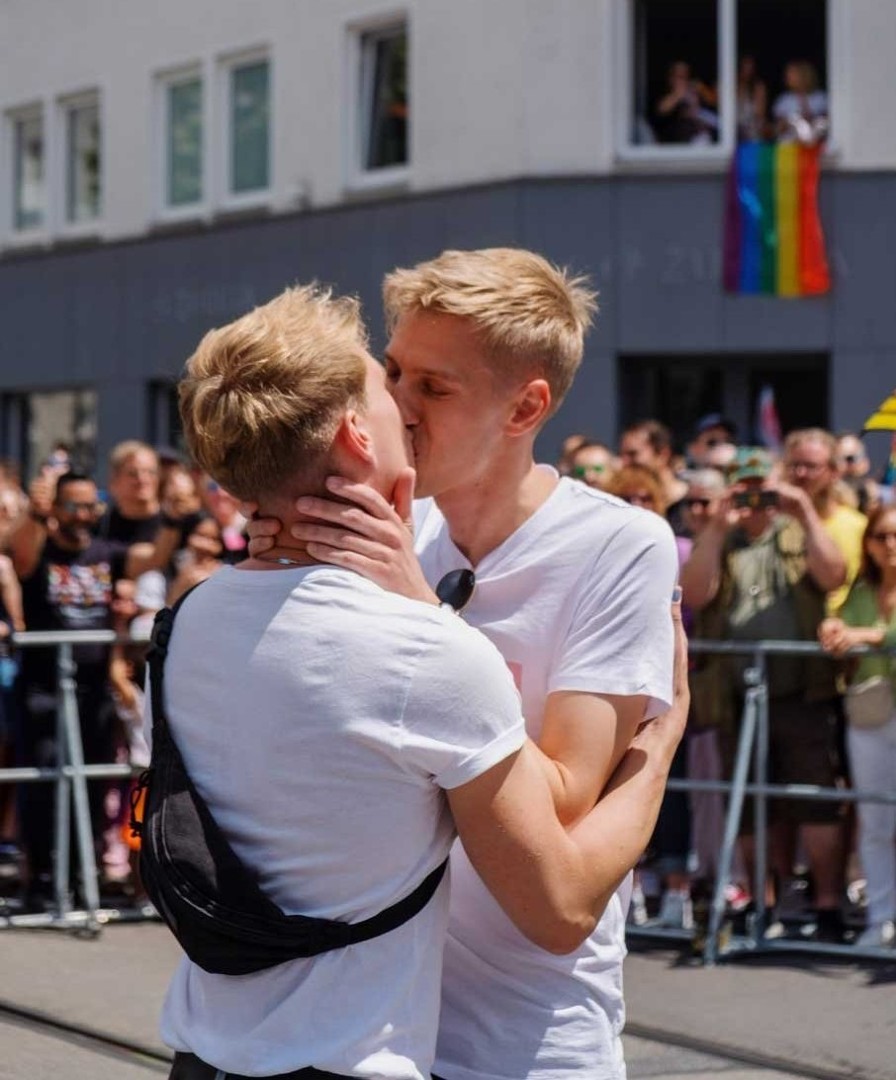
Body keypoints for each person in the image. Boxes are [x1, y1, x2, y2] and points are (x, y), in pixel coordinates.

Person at [164, 283, 686, 1080]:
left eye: (432, 386)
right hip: (365, 1051)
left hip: (248, 1049)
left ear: (526, 408)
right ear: (355, 432)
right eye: (393, 377)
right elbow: (559, 903)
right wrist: (665, 734)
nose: (405, 406)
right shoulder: (424, 635)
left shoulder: (186, 621)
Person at [680, 446, 848, 941]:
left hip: (802, 691)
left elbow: (833, 575)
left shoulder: (799, 530)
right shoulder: (720, 538)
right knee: (751, 803)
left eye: (763, 491)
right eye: (745, 491)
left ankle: (827, 905)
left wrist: (804, 510)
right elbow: (695, 595)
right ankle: (762, 900)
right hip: (736, 694)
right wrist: (716, 528)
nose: (755, 503)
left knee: (815, 798)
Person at [7, 470, 181, 906]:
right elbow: (18, 551)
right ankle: (40, 879)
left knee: (91, 786)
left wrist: (174, 519)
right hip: (42, 687)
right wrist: (35, 513)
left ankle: (81, 877)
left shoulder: (106, 552)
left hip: (93, 690)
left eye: (91, 505)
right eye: (74, 506)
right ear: (56, 508)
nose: (83, 514)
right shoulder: (41, 550)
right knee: (41, 784)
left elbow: (152, 558)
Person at [819, 504, 896, 949]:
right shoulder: (861, 589)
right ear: (868, 543)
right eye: (881, 536)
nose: (890, 544)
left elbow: (874, 634)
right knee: (875, 820)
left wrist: (864, 636)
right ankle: (881, 919)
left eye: (895, 535)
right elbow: (842, 628)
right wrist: (833, 629)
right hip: (869, 711)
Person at [783, 428, 867, 615]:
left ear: (834, 472)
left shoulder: (857, 526)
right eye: (794, 465)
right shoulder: (776, 525)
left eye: (811, 466)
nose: (801, 473)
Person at [618, 419, 689, 533]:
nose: (624, 462)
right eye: (622, 454)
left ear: (662, 454)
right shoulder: (626, 500)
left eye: (633, 454)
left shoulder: (693, 504)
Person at [96, 440, 162, 545]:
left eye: (151, 472)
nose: (142, 479)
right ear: (114, 481)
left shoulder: (173, 525)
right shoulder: (100, 527)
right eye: (133, 474)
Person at [654, 60, 718, 145]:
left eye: (687, 76)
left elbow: (713, 104)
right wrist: (678, 95)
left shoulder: (693, 95)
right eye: (680, 77)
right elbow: (662, 110)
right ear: (671, 79)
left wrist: (702, 91)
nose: (684, 80)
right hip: (677, 146)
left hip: (704, 142)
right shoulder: (666, 96)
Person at [773, 60, 828, 145]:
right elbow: (777, 128)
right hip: (789, 147)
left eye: (792, 74)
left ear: (804, 75)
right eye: (787, 75)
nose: (788, 78)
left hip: (816, 146)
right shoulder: (784, 100)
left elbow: (825, 124)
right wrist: (786, 124)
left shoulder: (820, 98)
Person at [836, 432, 880, 516]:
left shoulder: (885, 500)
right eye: (837, 459)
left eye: (850, 459)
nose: (842, 465)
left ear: (865, 462)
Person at [736, 55, 768, 143]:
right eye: (745, 68)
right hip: (733, 130)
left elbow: (760, 114)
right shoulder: (731, 85)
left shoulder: (758, 87)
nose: (747, 72)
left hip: (752, 131)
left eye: (750, 68)